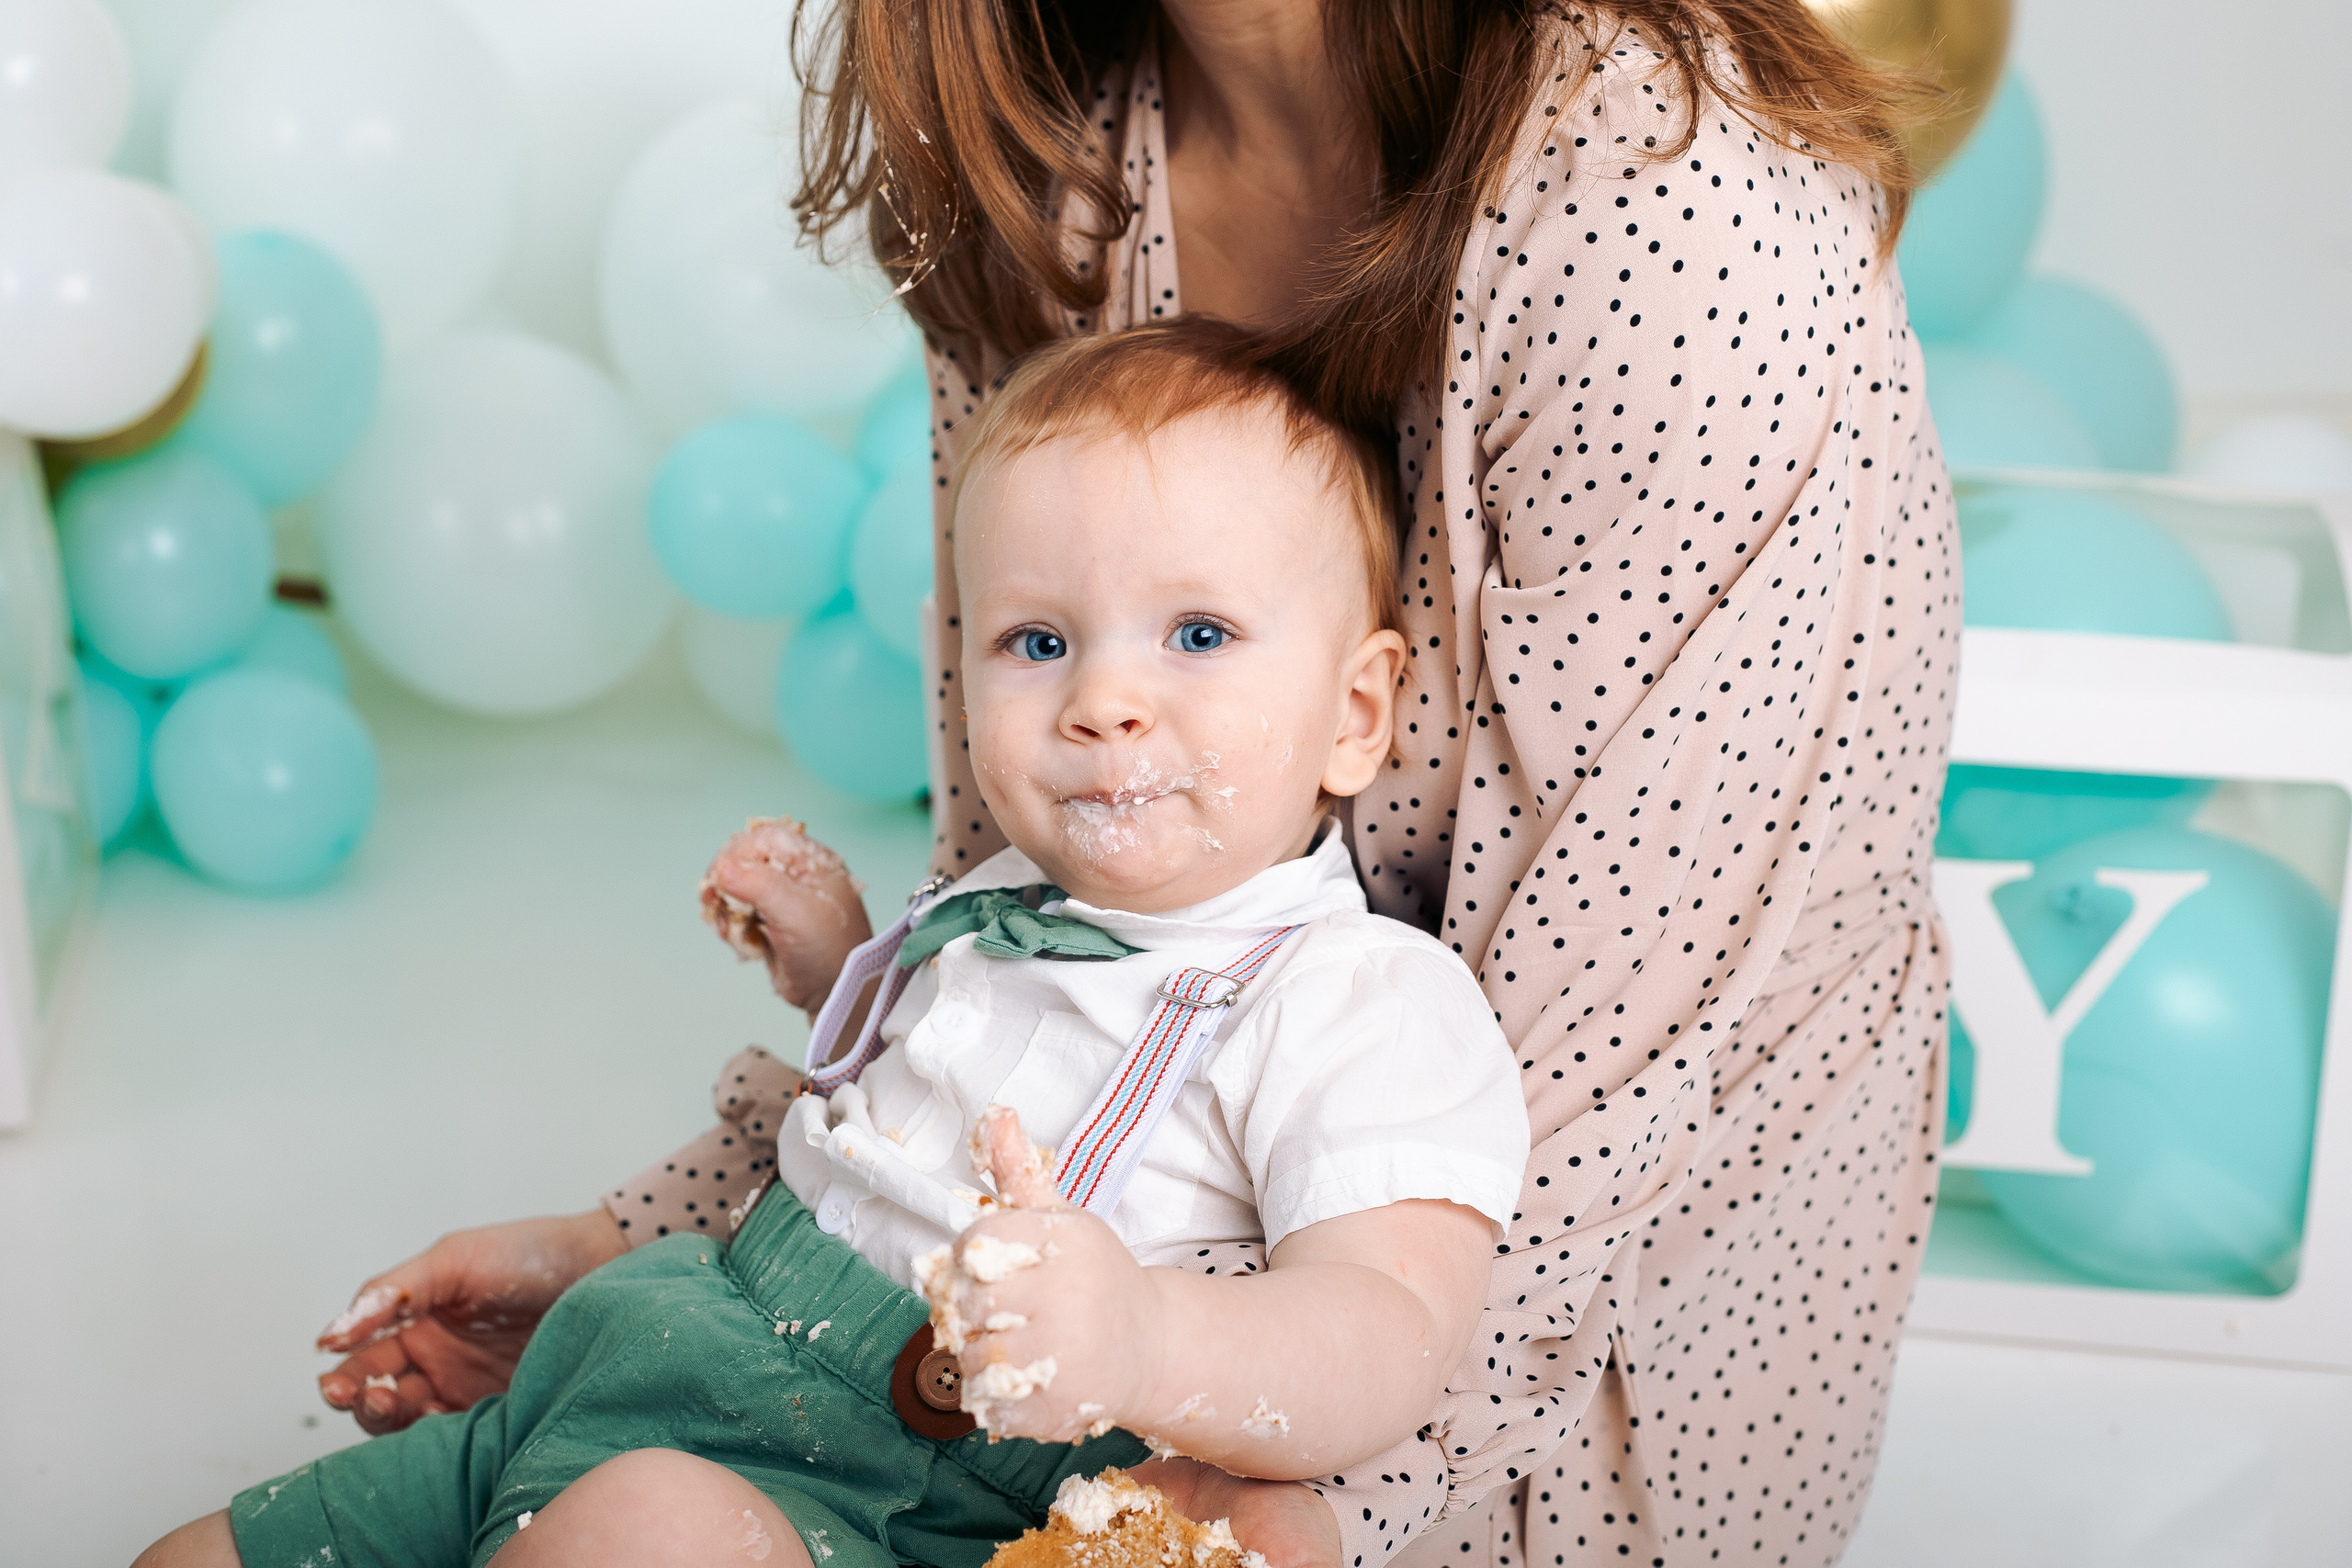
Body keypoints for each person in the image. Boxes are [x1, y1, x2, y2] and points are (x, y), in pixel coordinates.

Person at [204, 3, 1961, 1565]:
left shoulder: (1669, 211)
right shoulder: (1043, 139)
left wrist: (1238, 1505)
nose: (1109, 700)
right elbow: (1030, 940)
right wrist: (677, 1259)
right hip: (999, 1337)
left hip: (1530, 1342)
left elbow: (1601, 1107)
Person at [140, 324, 1536, 1568]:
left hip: (874, 1487)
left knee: (649, 1527)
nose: (1104, 697)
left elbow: (1391, 1329)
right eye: (1037, 641)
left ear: (1357, 714)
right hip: (655, 1342)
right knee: (179, 1557)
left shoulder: (1357, 999)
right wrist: (845, 965)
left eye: (1200, 632)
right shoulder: (1006, 901)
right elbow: (900, 1122)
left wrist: (1146, 1341)